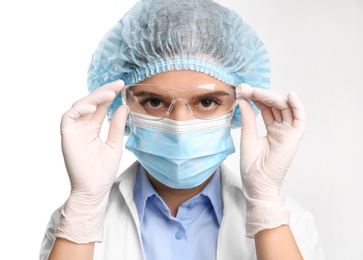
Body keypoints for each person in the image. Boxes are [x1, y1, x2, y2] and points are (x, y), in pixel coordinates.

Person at [39, 0, 325, 259]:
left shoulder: (289, 223)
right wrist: (85, 206)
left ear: (238, 105)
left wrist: (265, 203)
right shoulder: (75, 223)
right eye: (154, 101)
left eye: (207, 101)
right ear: (121, 105)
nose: (180, 125)